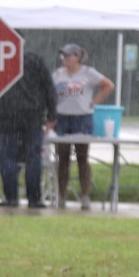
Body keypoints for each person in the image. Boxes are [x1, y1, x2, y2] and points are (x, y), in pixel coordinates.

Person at [0, 50, 58, 208]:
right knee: (33, 158)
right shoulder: (34, 60)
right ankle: (34, 198)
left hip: (5, 116)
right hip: (32, 115)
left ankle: (11, 197)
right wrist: (52, 115)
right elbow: (49, 88)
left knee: (7, 158)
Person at [52, 43, 114, 210]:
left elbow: (108, 85)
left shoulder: (88, 73)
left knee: (82, 157)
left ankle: (85, 196)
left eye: (68, 55)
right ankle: (62, 196)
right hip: (62, 118)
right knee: (62, 159)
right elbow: (50, 93)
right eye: (63, 56)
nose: (65, 59)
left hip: (82, 118)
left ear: (77, 57)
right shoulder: (57, 75)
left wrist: (94, 102)